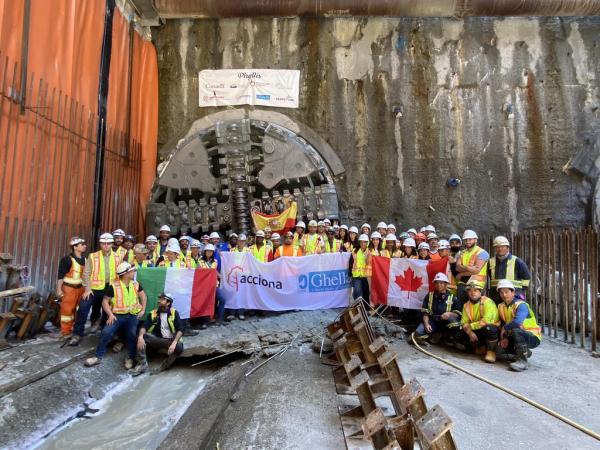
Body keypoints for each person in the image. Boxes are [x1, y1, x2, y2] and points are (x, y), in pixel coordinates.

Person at [84, 262, 147, 369]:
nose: (134, 272)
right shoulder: (113, 287)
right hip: (117, 316)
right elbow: (105, 301)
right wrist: (110, 315)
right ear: (126, 274)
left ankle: (130, 357)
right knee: (106, 332)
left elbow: (143, 296)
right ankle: (98, 357)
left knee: (131, 335)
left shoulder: (136, 284)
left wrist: (143, 310)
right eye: (132, 271)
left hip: (132, 316)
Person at [70, 233, 120, 345]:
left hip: (110, 288)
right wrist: (87, 289)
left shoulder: (118, 257)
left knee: (109, 311)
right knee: (83, 308)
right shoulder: (93, 256)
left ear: (112, 244)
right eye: (103, 243)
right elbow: (86, 273)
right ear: (100, 244)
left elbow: (119, 274)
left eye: (108, 243)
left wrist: (117, 290)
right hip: (94, 289)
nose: (106, 245)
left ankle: (104, 332)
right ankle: (77, 334)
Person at [130, 292, 184, 376]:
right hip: (158, 339)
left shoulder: (174, 313)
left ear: (168, 303)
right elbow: (144, 326)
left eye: (162, 299)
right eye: (159, 299)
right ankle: (142, 365)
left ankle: (162, 367)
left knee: (179, 347)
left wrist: (174, 343)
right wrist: (140, 337)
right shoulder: (153, 313)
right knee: (140, 337)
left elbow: (180, 330)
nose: (159, 301)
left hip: (170, 341)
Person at [497, 280, 541, 371]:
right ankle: (524, 352)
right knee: (499, 351)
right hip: (514, 335)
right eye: (501, 293)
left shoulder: (521, 305)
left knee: (516, 330)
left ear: (513, 292)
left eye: (506, 292)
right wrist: (504, 337)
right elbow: (503, 323)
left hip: (532, 336)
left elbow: (517, 322)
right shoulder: (501, 306)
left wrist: (505, 328)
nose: (504, 295)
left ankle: (522, 361)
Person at [457, 282, 500, 363]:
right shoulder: (466, 305)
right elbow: (464, 322)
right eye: (470, 291)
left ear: (480, 292)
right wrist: (470, 333)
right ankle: (481, 347)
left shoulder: (488, 302)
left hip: (492, 330)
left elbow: (486, 321)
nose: (472, 293)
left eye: (476, 290)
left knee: (489, 328)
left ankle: (491, 351)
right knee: (458, 333)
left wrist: (470, 327)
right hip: (477, 328)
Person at [414, 273, 461, 344]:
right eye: (437, 283)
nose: (439, 285)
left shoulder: (453, 297)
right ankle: (436, 336)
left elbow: (458, 314)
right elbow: (425, 312)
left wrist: (449, 314)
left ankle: (446, 336)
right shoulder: (429, 296)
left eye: (442, 283)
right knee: (418, 334)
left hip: (445, 323)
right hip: (433, 322)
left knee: (454, 323)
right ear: (435, 284)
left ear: (446, 284)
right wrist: (426, 324)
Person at [56, 237, 87, 338]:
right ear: (75, 247)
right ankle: (66, 331)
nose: (84, 246)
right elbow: (60, 275)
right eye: (82, 244)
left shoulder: (85, 260)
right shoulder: (67, 260)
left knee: (79, 310)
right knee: (67, 311)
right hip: (69, 289)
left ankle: (76, 329)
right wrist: (59, 289)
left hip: (81, 289)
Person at [488, 236, 531, 304]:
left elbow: (526, 278)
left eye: (503, 246)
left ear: (508, 248)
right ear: (495, 249)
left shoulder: (517, 261)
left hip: (513, 296)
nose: (500, 249)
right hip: (495, 296)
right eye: (497, 247)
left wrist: (519, 292)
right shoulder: (490, 262)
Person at [455, 229, 489, 306]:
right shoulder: (462, 252)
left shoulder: (482, 253)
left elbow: (476, 270)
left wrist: (461, 274)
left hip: (476, 286)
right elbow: (457, 267)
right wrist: (469, 268)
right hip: (462, 285)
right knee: (461, 309)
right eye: (465, 240)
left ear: (475, 240)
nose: (467, 241)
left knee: (477, 308)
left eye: (470, 239)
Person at [199, 244, 226, 326]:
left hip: (214, 285)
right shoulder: (200, 262)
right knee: (207, 303)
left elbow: (215, 271)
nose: (209, 252)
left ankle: (220, 319)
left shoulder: (215, 261)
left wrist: (222, 276)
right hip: (205, 286)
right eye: (208, 251)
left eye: (211, 251)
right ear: (205, 252)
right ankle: (206, 321)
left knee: (222, 300)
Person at [352, 234, 370, 302]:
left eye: (364, 242)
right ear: (359, 242)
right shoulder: (355, 251)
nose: (363, 243)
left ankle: (365, 307)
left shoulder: (369, 251)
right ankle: (359, 306)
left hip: (366, 276)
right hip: (357, 275)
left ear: (367, 243)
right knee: (358, 291)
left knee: (365, 292)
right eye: (361, 242)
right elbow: (351, 262)